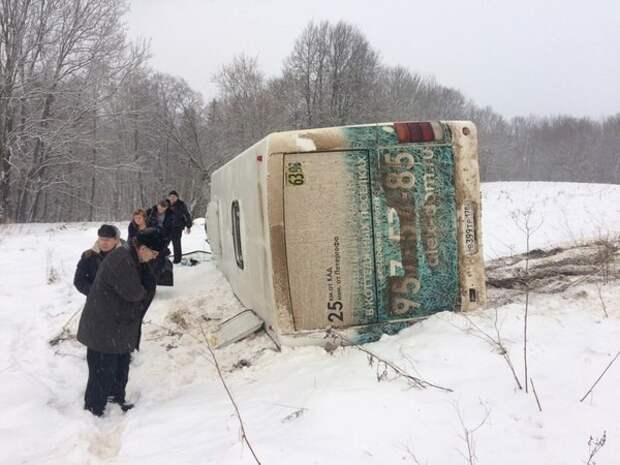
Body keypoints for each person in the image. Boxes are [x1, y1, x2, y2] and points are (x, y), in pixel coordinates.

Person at [77, 228, 163, 417]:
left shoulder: (134, 258)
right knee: (102, 369)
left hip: (118, 325)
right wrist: (143, 292)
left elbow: (144, 286)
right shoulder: (121, 260)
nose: (155, 257)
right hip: (104, 325)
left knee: (120, 364)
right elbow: (134, 293)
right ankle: (94, 409)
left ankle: (115, 398)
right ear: (142, 248)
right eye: (154, 253)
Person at [74, 224, 122, 296]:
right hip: (95, 300)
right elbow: (79, 280)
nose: (104, 243)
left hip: (120, 301)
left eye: (108, 240)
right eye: (102, 239)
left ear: (116, 241)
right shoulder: (88, 256)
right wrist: (95, 292)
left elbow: (132, 282)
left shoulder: (125, 256)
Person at [167, 190, 192, 264]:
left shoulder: (181, 204)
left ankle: (177, 260)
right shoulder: (166, 204)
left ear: (177, 197)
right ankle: (163, 258)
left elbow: (187, 215)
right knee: (164, 243)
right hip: (168, 227)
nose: (172, 198)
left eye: (174, 197)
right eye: (171, 197)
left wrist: (188, 226)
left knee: (176, 243)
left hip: (177, 227)